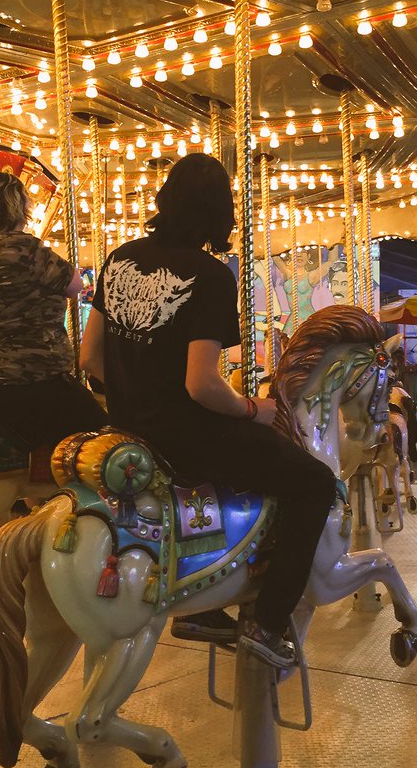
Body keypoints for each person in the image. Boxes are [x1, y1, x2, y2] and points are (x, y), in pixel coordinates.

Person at [81, 153, 337, 670]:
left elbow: (89, 357)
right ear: (221, 212)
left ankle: (208, 604)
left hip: (127, 432)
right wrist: (252, 409)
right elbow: (200, 385)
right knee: (314, 483)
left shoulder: (119, 259)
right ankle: (267, 623)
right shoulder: (211, 275)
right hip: (186, 435)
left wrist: (137, 394)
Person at [0, 172, 107, 448]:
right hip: (34, 383)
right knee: (108, 441)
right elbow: (76, 285)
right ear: (19, 207)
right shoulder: (26, 249)